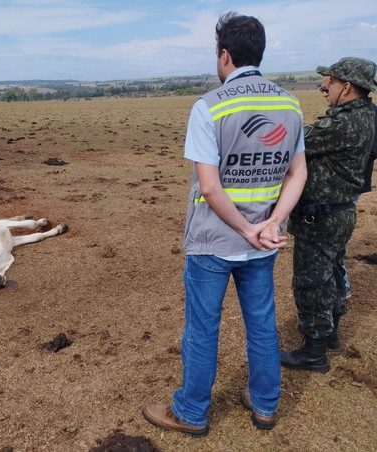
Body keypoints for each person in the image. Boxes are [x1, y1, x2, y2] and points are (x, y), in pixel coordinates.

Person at [142, 12, 307, 436]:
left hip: (213, 242)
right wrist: (271, 222)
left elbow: (211, 189)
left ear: (225, 55)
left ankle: (192, 411)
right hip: (263, 243)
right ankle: (265, 404)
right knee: (262, 323)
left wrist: (246, 228)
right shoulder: (289, 104)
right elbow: (298, 173)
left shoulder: (209, 107)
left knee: (202, 327)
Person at [281, 58, 376, 372]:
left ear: (347, 87)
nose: (324, 87)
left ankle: (314, 351)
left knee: (311, 281)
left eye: (330, 82)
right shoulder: (369, 117)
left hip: (321, 217)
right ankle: (330, 332)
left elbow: (296, 140)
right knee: (332, 272)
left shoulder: (344, 123)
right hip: (341, 212)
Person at [340, 101, 377, 299]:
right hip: (349, 182)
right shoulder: (353, 112)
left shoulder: (367, 114)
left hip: (352, 183)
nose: (324, 89)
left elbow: (373, 149)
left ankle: (342, 285)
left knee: (336, 236)